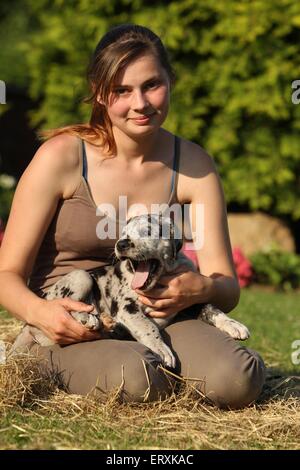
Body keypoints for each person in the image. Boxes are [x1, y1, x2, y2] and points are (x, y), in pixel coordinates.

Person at [0, 24, 266, 408]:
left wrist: (203, 289)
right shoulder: (60, 158)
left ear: (170, 82)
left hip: (162, 315)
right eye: (122, 90)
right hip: (75, 323)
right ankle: (42, 362)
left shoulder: (194, 166)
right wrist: (41, 314)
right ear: (98, 92)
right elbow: (6, 275)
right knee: (141, 376)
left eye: (151, 85)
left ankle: (157, 362)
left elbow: (227, 285)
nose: (140, 103)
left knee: (238, 379)